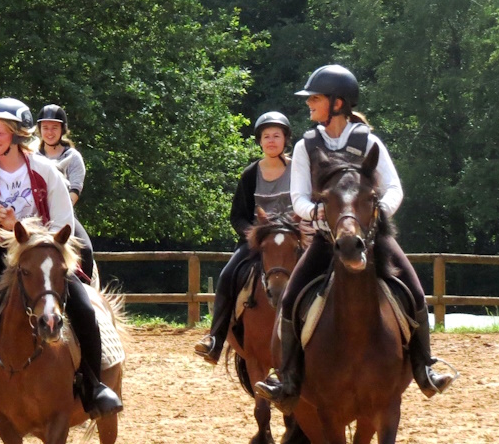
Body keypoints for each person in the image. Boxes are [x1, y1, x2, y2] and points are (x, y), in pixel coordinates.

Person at [255, 65, 456, 410]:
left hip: (371, 237)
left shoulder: (368, 141)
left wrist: (375, 216)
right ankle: (288, 378)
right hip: (324, 238)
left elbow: (394, 188)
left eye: (314, 99)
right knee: (289, 300)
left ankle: (425, 369)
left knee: (416, 293)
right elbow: (298, 197)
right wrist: (319, 215)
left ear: (337, 103)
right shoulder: (306, 145)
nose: (309, 105)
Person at [0, 98, 124, 439]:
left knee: (85, 311)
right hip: (2, 256)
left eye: (0, 132)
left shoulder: (46, 171)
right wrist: (4, 233)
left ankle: (92, 387)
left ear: (17, 135)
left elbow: (62, 222)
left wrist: (22, 229)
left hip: (46, 254)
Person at [193, 111, 292, 364]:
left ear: (285, 139)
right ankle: (214, 339)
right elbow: (237, 215)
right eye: (266, 136)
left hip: (294, 240)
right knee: (228, 275)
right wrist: (253, 236)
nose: (271, 141)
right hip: (257, 243)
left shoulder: (299, 171)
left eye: (276, 136)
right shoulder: (250, 174)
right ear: (259, 141)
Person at [35, 104, 95, 274]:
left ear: (63, 129)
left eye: (54, 128)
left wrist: (59, 212)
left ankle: (87, 289)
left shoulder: (73, 157)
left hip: (64, 214)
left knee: (86, 251)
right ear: (40, 129)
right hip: (34, 215)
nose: (49, 132)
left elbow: (75, 190)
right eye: (45, 128)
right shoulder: (32, 157)